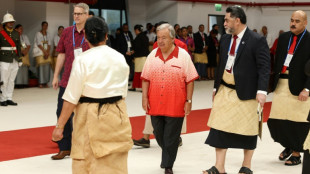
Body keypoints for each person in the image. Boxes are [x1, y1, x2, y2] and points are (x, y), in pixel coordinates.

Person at [52, 16, 132, 174]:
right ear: (106, 35)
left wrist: (59, 126)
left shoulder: (83, 60)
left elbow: (71, 97)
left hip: (90, 114)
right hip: (118, 113)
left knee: (88, 160)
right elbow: (123, 92)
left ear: (86, 36)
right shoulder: (119, 58)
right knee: (116, 160)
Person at [204, 6, 270, 174]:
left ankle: (246, 166)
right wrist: (215, 86)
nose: (224, 23)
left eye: (227, 20)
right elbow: (221, 65)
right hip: (224, 90)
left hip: (246, 93)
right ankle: (219, 167)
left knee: (248, 130)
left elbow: (264, 68)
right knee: (219, 128)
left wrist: (262, 91)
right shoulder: (225, 39)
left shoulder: (257, 40)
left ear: (237, 20)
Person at [141, 23, 198, 174]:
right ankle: (168, 154)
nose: (160, 41)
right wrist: (144, 98)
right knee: (159, 134)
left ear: (172, 38)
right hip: (155, 103)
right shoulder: (152, 55)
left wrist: (189, 101)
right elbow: (145, 78)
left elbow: (190, 80)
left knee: (171, 137)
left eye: (164, 38)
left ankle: (168, 166)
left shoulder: (183, 56)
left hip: (176, 104)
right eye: (158, 38)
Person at [267, 10, 310, 166]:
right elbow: (277, 61)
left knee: (298, 122)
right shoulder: (284, 38)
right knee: (279, 120)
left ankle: (297, 153)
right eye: (292, 20)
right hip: (281, 84)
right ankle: (289, 146)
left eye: (297, 21)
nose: (293, 23)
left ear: (305, 23)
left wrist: (307, 89)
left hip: (299, 87)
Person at [51, 2, 90, 160]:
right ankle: (65, 147)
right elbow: (61, 54)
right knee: (61, 112)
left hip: (87, 82)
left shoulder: (93, 32)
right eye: (75, 13)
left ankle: (86, 147)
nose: (76, 16)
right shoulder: (67, 32)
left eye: (79, 14)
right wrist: (56, 76)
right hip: (68, 80)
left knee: (86, 115)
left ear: (87, 15)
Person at [0, 13, 21, 106]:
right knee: (4, 80)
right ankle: (2, 99)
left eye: (12, 21)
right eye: (9, 22)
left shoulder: (16, 33)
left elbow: (18, 47)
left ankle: (9, 98)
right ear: (5, 23)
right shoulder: (1, 34)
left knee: (12, 80)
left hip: (14, 59)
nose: (11, 23)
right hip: (4, 59)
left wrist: (20, 59)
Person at [129, 24, 149, 91]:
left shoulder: (138, 37)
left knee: (138, 72)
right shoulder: (145, 37)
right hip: (145, 56)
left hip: (139, 56)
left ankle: (135, 86)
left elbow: (136, 48)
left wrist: (131, 52)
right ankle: (142, 87)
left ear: (137, 30)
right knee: (143, 72)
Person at [33, 21, 52, 88]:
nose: (45, 27)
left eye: (47, 25)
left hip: (46, 51)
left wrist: (47, 51)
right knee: (40, 67)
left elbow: (49, 44)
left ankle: (46, 82)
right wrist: (44, 52)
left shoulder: (48, 34)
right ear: (42, 26)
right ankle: (40, 82)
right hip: (40, 52)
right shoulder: (38, 34)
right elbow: (38, 44)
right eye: (44, 25)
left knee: (47, 67)